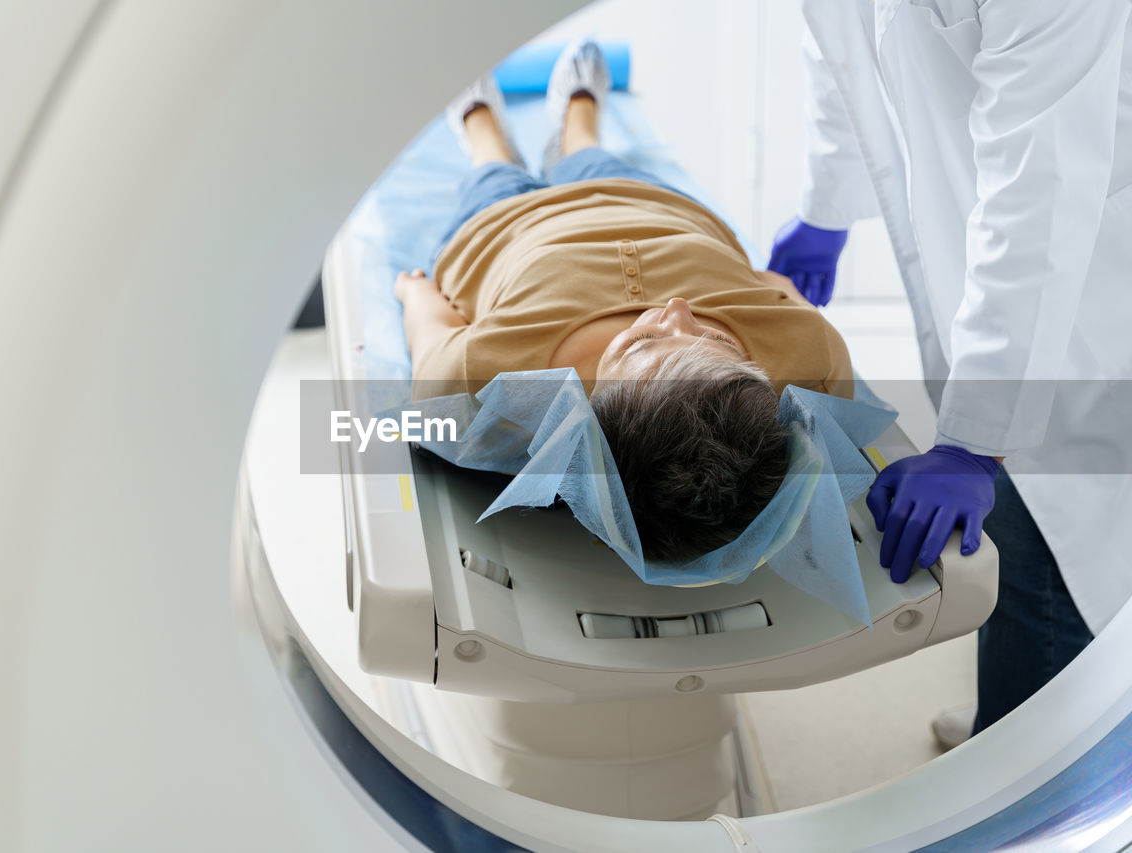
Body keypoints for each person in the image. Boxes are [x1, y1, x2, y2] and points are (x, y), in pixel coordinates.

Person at [772, 1, 1132, 741]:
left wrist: (977, 436)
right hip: (1012, 256)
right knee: (1004, 524)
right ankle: (1015, 721)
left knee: (1044, 536)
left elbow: (1046, 181)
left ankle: (1031, 762)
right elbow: (842, 46)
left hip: (1082, 266)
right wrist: (824, 206)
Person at [398, 41, 854, 561]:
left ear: (589, 412)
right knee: (590, 156)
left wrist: (413, 290)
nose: (678, 308)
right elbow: (783, 290)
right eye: (716, 340)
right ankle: (578, 120)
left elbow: (431, 329)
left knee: (493, 170)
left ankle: (478, 119)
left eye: (642, 340)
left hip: (503, 225)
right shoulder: (813, 364)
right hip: (656, 206)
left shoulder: (481, 383)